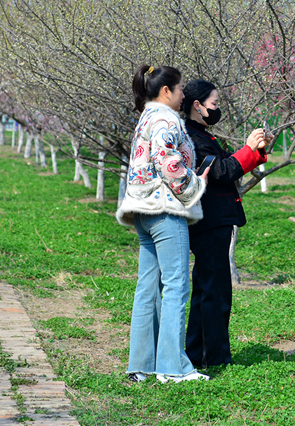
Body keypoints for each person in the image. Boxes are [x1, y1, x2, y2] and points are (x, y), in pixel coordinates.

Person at [116, 65, 210, 383]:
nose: (184, 94)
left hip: (143, 210)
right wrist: (193, 186)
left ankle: (141, 366)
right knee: (176, 287)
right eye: (181, 88)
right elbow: (166, 158)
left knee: (147, 289)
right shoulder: (166, 118)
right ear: (166, 90)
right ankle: (172, 368)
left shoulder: (146, 115)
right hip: (164, 210)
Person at [181, 79, 272, 368]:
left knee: (207, 289)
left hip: (213, 221)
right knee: (215, 291)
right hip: (209, 223)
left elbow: (226, 167)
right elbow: (221, 171)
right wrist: (248, 148)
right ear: (197, 106)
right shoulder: (193, 137)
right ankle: (214, 357)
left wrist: (254, 151)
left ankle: (198, 354)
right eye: (215, 104)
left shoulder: (201, 134)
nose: (218, 109)